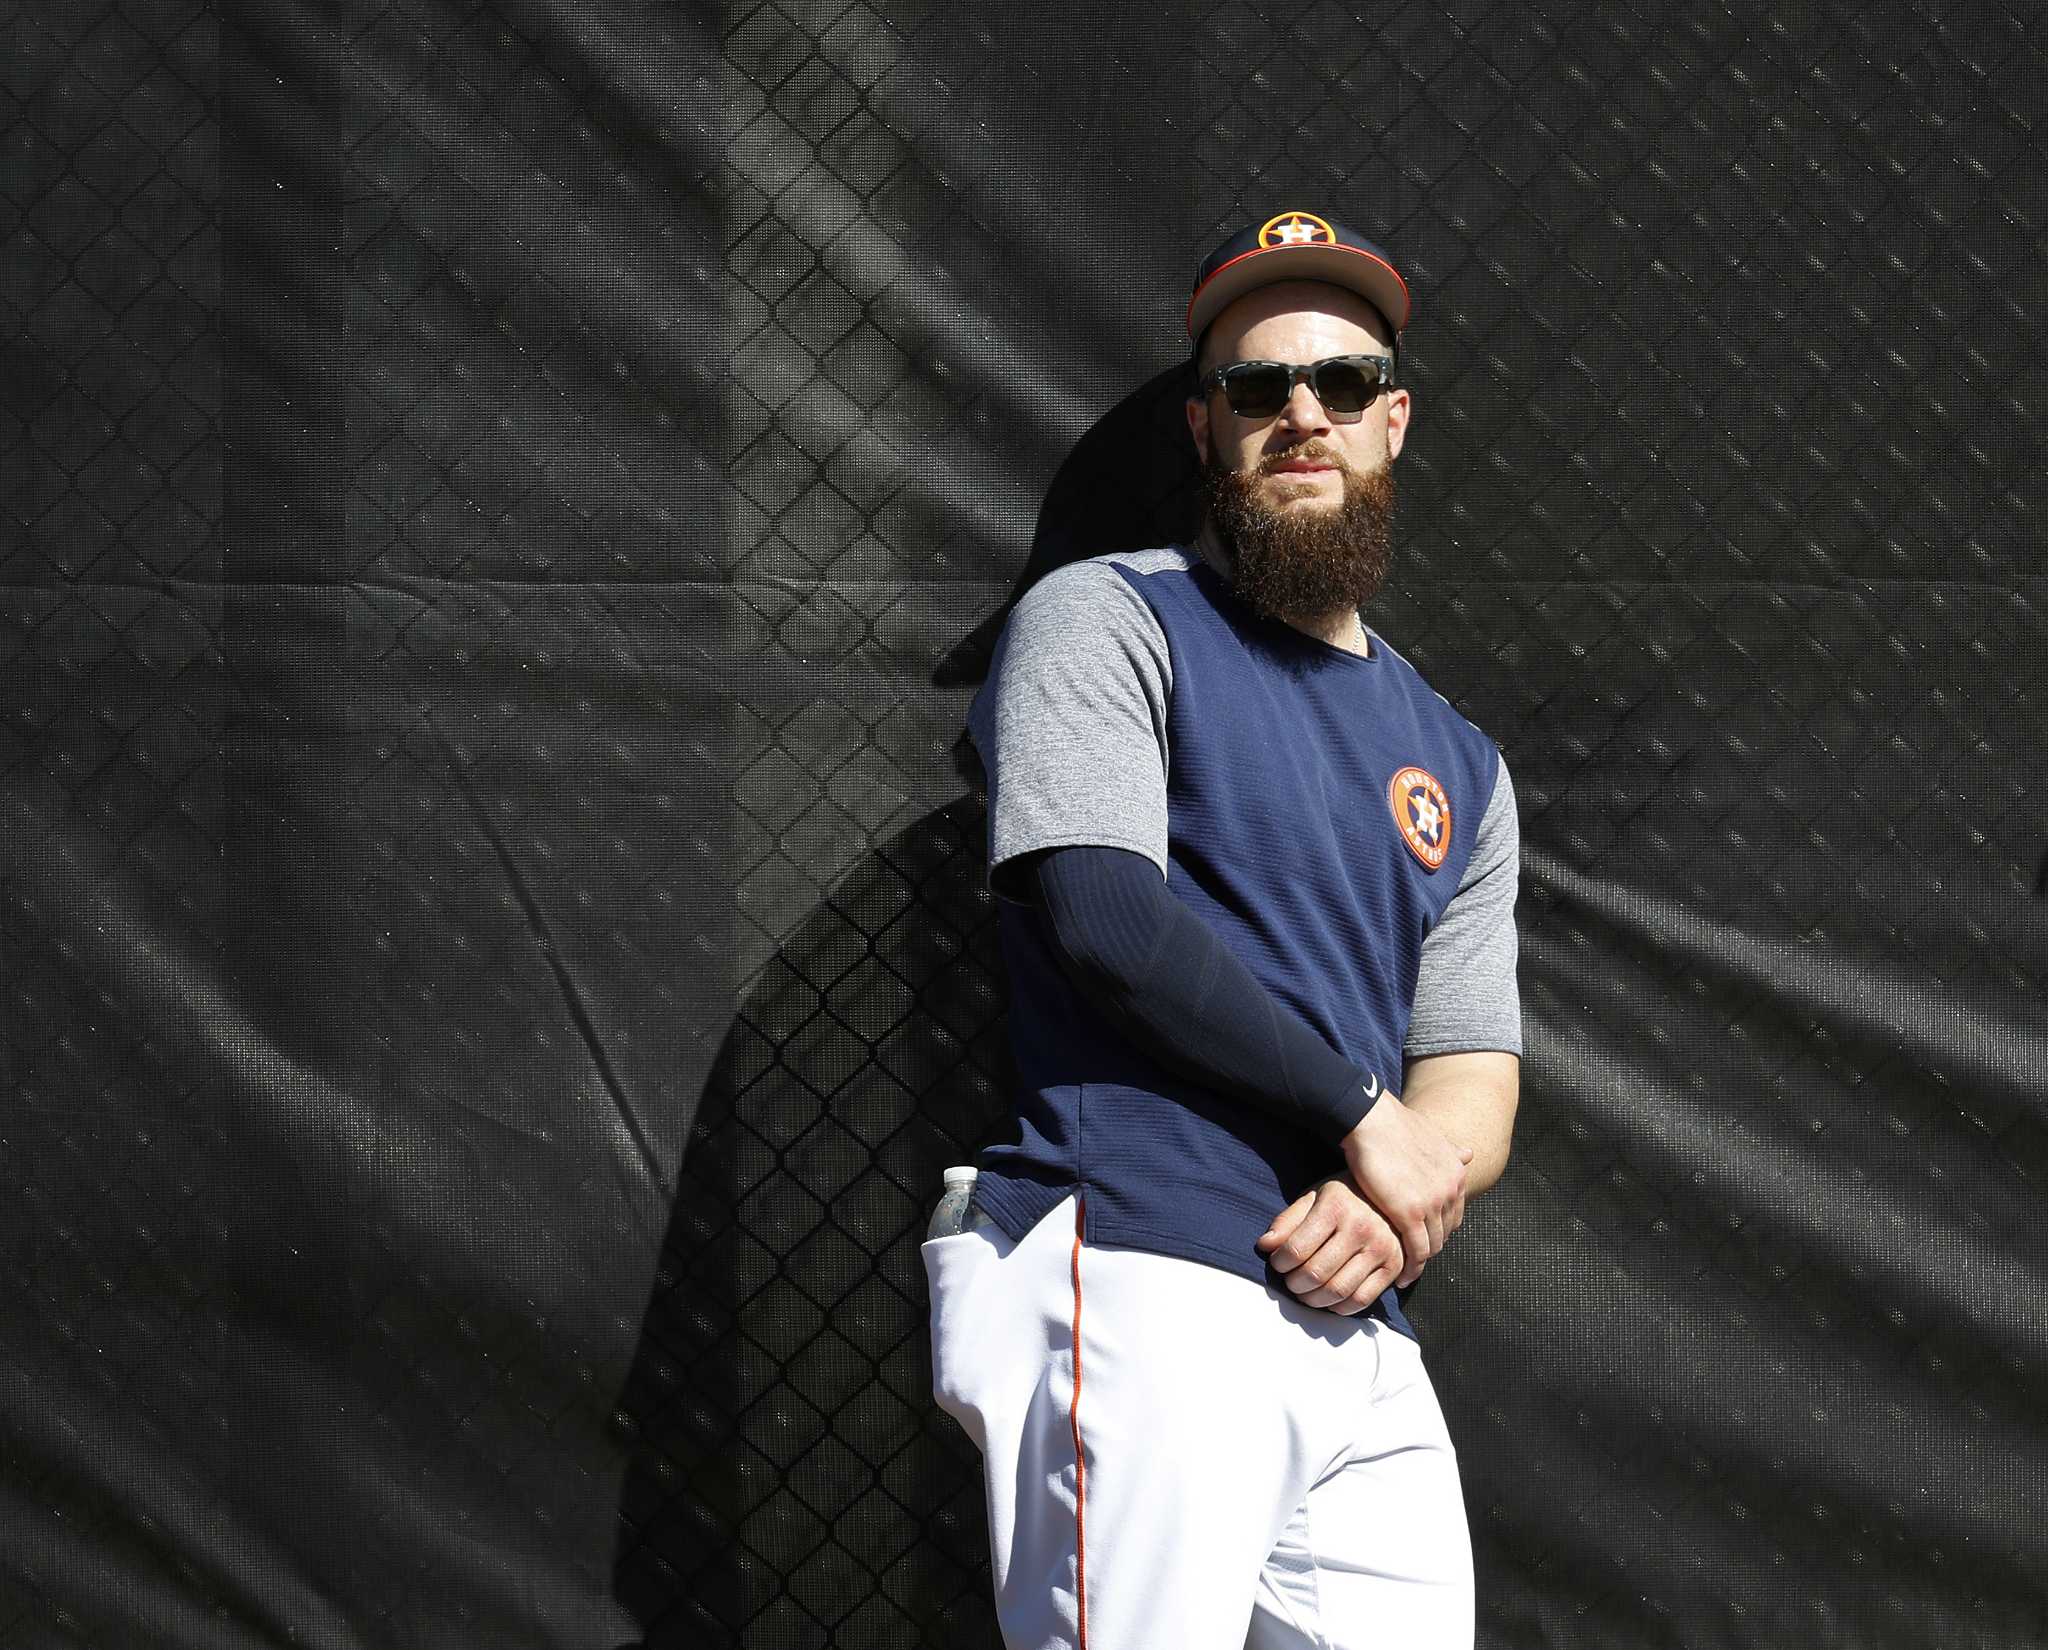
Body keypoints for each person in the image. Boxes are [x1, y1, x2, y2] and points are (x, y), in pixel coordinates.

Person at [927, 210, 1522, 1650]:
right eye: (1259, 389)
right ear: (1207, 429)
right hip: (1140, 1254)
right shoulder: (1105, 617)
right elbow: (1110, 919)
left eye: (1340, 381)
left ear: (1394, 419)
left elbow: (1473, 1076)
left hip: (1356, 1311)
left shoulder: (1460, 757)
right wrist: (1359, 1110)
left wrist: (1392, 1187)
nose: (1300, 412)